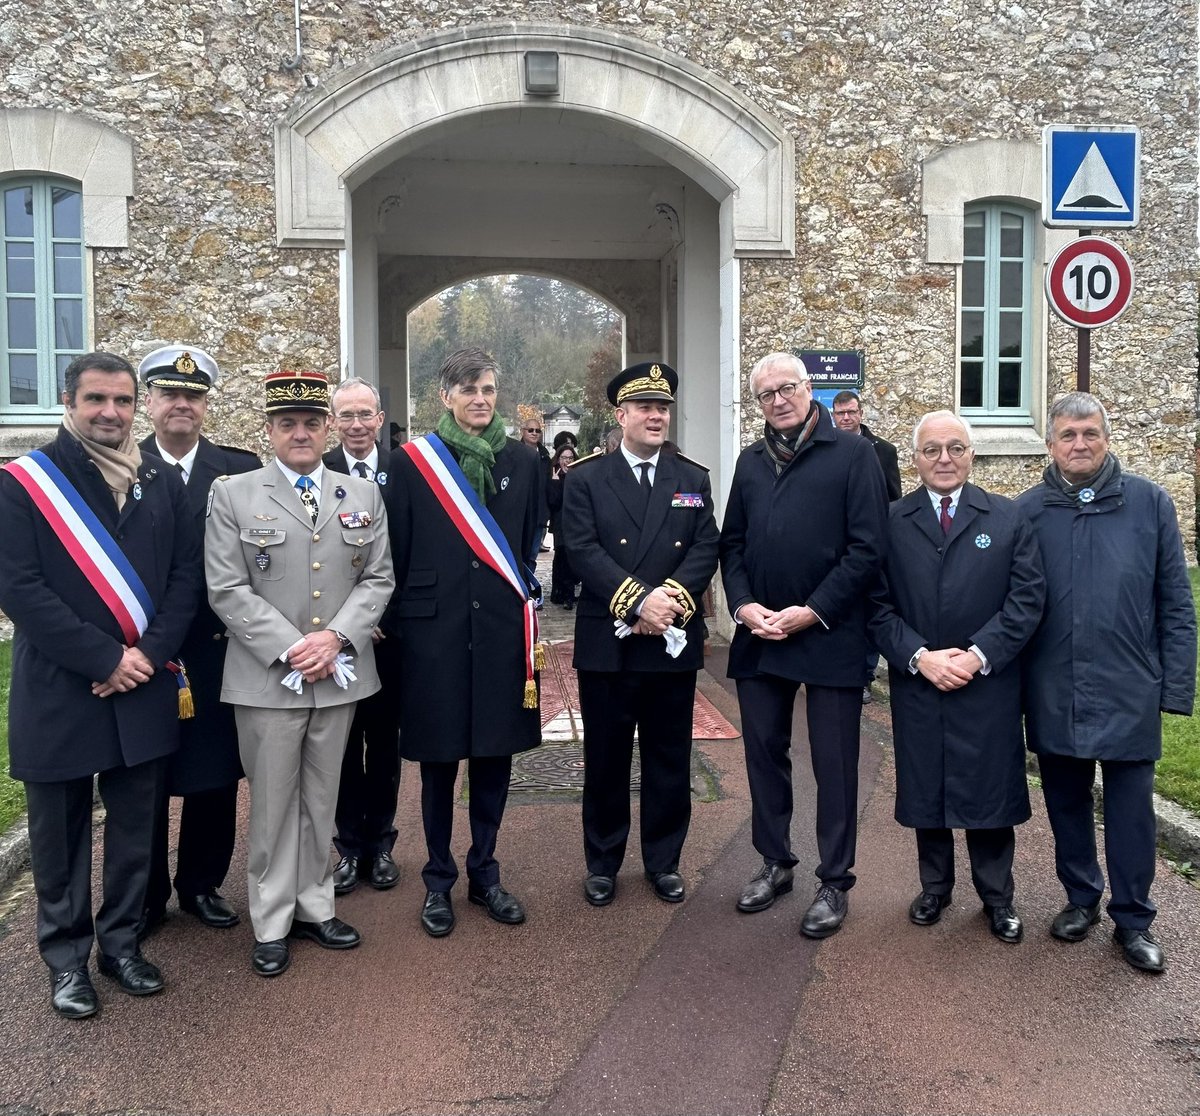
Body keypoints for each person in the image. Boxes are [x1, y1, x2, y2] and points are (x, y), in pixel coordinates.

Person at [0, 351, 202, 1019]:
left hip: (142, 684)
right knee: (58, 837)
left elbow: (182, 579)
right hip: (62, 689)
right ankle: (66, 961)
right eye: (96, 400)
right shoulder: (24, 483)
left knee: (136, 828)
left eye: (121, 401)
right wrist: (103, 658)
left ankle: (121, 945)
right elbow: (19, 589)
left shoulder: (158, 480)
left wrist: (144, 656)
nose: (110, 413)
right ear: (69, 401)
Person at [204, 369, 394, 977]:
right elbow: (227, 589)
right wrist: (294, 648)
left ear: (326, 428)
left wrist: (336, 638)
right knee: (273, 803)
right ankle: (271, 917)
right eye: (288, 424)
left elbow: (378, 578)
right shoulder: (234, 494)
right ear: (270, 430)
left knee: (322, 798)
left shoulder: (360, 494)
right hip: (269, 680)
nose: (302, 434)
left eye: (312, 423)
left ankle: (316, 905)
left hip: (337, 674)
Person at [1017, 392, 1196, 973]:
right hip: (1054, 686)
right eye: (1068, 435)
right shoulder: (1027, 512)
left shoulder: (1150, 504)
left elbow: (1176, 603)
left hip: (1128, 688)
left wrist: (1174, 690)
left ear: (1106, 437)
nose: (1079, 444)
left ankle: (1134, 919)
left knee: (1131, 811)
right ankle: (1080, 898)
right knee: (1065, 802)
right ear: (1050, 443)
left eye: (1090, 433)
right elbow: (1014, 607)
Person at [720, 352, 887, 937]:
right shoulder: (749, 462)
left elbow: (868, 548)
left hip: (830, 632)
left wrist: (812, 611)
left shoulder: (853, 455)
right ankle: (775, 862)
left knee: (834, 761)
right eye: (765, 394)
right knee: (764, 753)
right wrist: (742, 607)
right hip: (762, 635)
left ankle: (834, 880)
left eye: (786, 388)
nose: (777, 400)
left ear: (809, 388)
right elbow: (731, 546)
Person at [383, 348, 542, 938]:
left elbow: (526, 546)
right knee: (437, 763)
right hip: (434, 634)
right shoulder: (412, 463)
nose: (481, 399)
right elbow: (395, 550)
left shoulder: (525, 461)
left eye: (489, 389)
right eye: (469, 389)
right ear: (445, 396)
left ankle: (486, 872)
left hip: (500, 632)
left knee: (494, 757)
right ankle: (438, 880)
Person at [870, 410, 1044, 943]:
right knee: (928, 785)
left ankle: (998, 897)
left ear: (972, 454)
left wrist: (976, 655)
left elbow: (1026, 600)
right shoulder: (891, 521)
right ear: (916, 457)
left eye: (955, 448)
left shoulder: (1008, 518)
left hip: (987, 683)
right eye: (931, 450)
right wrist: (921, 657)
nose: (943, 459)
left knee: (989, 790)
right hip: (920, 680)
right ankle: (935, 888)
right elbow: (876, 606)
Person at [563, 362, 720, 907]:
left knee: (669, 759)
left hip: (670, 638)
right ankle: (603, 862)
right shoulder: (585, 478)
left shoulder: (691, 478)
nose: (656, 416)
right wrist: (636, 601)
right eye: (645, 408)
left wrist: (669, 600)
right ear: (621, 415)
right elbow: (581, 549)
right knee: (606, 759)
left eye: (663, 407)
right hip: (611, 641)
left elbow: (706, 546)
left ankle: (664, 861)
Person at [136, 345, 261, 937]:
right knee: (148, 778)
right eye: (169, 394)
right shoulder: (121, 467)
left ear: (206, 404)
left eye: (193, 395)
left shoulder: (238, 469)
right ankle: (146, 893)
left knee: (214, 774)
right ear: (151, 403)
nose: (181, 404)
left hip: (216, 647)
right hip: (146, 652)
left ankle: (201, 885)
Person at [322, 377, 404, 896]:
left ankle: (383, 844)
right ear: (335, 421)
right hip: (336, 636)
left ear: (380, 418)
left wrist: (384, 619)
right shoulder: (317, 470)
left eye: (365, 414)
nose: (356, 425)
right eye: (346, 415)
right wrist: (349, 623)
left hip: (390, 636)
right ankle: (348, 846)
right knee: (343, 745)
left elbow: (412, 552)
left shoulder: (408, 470)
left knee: (385, 743)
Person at [830, 390, 902, 501]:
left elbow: (894, 498)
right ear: (833, 415)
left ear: (861, 413)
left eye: (851, 412)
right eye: (840, 413)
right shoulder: (824, 449)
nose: (846, 417)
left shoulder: (885, 450)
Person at [547, 442, 580, 608]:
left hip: (575, 523)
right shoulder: (554, 475)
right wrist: (555, 482)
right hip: (560, 523)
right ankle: (560, 593)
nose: (567, 461)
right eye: (564, 458)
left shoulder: (578, 474)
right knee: (560, 557)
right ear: (558, 459)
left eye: (570, 457)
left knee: (570, 558)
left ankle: (568, 594)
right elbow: (554, 501)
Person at [519, 404, 552, 563]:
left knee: (532, 555)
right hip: (519, 513)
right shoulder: (514, 454)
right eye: (530, 430)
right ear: (522, 431)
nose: (534, 433)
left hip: (539, 513)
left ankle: (530, 587)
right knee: (518, 553)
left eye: (537, 430)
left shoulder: (546, 456)